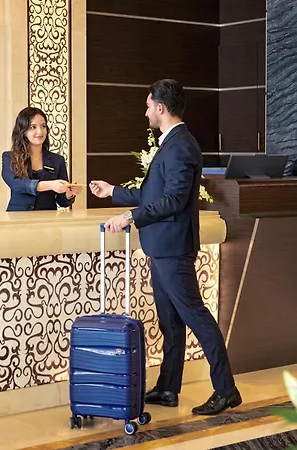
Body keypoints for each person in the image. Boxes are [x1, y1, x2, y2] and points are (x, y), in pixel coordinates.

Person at [89, 79, 241, 416]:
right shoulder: (172, 143)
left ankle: (226, 389)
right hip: (161, 247)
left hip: (173, 248)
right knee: (170, 322)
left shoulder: (181, 146)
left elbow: (173, 200)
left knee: (197, 317)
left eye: (148, 106)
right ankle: (169, 388)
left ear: (160, 108)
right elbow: (152, 195)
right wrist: (113, 191)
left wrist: (130, 216)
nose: (145, 113)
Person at [2, 107, 82, 211]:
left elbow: (62, 202)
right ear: (23, 131)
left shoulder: (57, 160)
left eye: (43, 126)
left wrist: (68, 194)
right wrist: (50, 185)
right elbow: (17, 184)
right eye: (33, 127)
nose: (40, 132)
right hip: (17, 217)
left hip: (47, 218)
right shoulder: (9, 157)